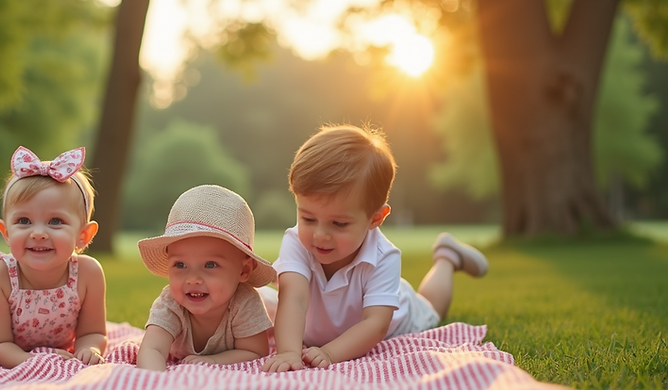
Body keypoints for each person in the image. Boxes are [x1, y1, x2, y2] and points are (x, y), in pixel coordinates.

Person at [261, 124, 489, 373]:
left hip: (400, 315)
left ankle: (447, 258)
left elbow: (375, 324)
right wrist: (288, 353)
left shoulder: (384, 257)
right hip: (330, 320)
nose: (320, 235)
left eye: (339, 223)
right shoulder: (295, 242)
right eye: (308, 218)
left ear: (376, 218)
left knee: (432, 308)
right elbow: (293, 297)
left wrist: (329, 352)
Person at [0, 146, 107, 368]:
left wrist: (88, 348)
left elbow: (93, 331)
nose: (38, 233)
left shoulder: (88, 274)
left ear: (83, 235)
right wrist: (35, 362)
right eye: (24, 221)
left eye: (55, 221)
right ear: (6, 233)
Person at [136, 185, 277, 371]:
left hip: (269, 307)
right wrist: (156, 381)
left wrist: (215, 361)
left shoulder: (245, 302)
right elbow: (152, 349)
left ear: (244, 270)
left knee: (277, 307)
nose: (193, 279)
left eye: (210, 265)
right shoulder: (171, 304)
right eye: (180, 265)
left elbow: (255, 352)